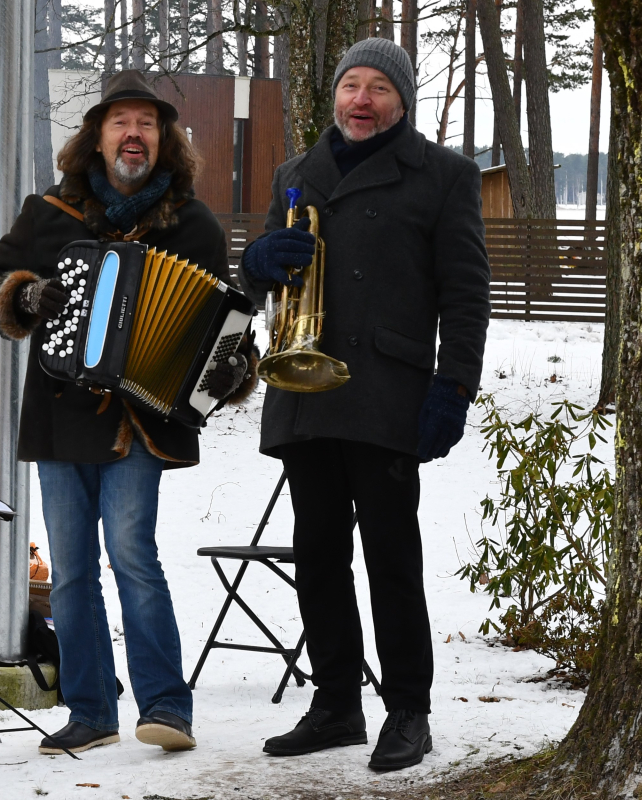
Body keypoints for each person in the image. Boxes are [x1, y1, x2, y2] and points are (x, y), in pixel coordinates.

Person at [0, 70, 258, 756]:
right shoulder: (51, 213)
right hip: (59, 414)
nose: (135, 135)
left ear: (164, 141)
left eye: (148, 124)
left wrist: (232, 367)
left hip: (140, 421)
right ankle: (91, 709)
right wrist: (26, 295)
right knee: (72, 569)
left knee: (132, 556)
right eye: (121, 123)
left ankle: (166, 707)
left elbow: (224, 326)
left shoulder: (191, 224)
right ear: (96, 138)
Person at [237, 38, 490, 771]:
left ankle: (407, 709)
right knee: (317, 556)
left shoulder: (443, 175)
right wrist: (257, 262)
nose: (361, 99)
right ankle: (335, 704)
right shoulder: (294, 172)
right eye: (351, 84)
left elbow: (466, 295)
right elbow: (263, 280)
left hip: (386, 392)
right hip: (304, 394)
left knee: (389, 557)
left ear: (400, 101)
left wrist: (453, 387)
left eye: (379, 87)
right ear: (336, 97)